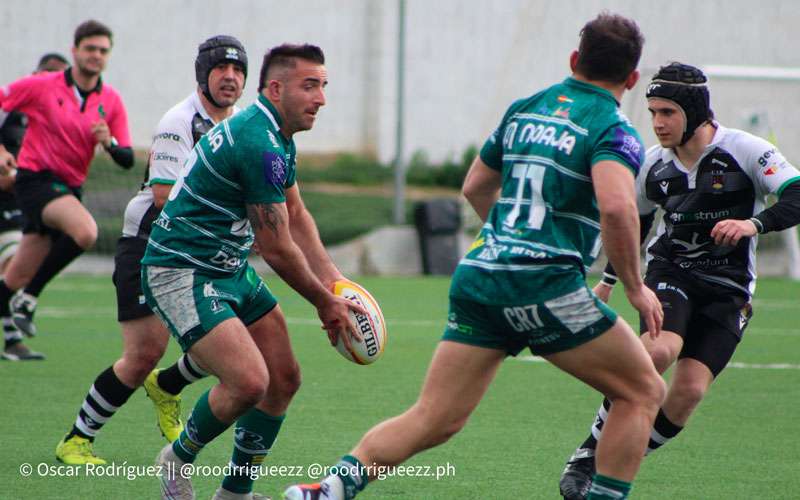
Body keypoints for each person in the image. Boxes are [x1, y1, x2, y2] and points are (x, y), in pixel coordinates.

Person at [284, 13, 665, 500]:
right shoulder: (613, 129)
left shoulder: (525, 108)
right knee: (644, 391)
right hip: (545, 285)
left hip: (481, 276)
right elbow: (616, 206)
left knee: (435, 417)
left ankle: (326, 490)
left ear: (574, 60)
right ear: (632, 80)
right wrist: (634, 286)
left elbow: (475, 186)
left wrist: (507, 242)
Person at [558, 62, 800, 499]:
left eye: (667, 112)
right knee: (657, 353)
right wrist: (611, 281)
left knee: (687, 393)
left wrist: (753, 224)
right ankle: (590, 455)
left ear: (694, 112)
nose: (657, 123)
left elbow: (798, 194)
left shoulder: (746, 150)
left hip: (730, 288)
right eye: (652, 112)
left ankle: (616, 456)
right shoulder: (651, 165)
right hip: (671, 273)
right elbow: (633, 226)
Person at [142, 43, 365, 500]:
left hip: (227, 267)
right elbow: (277, 247)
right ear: (277, 88)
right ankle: (176, 459)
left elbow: (297, 215)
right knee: (249, 381)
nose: (321, 97)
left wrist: (337, 282)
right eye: (310, 85)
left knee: (284, 377)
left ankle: (234, 494)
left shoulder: (276, 134)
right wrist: (325, 303)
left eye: (323, 85)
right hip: (181, 269)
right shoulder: (257, 141)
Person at [55, 35, 248, 466]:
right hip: (150, 244)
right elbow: (163, 196)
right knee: (143, 354)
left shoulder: (239, 126)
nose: (231, 78)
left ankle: (169, 386)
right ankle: (76, 440)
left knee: (231, 340)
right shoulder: (178, 121)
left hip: (202, 248)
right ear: (203, 73)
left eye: (238, 71)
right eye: (221, 69)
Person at [0, 19, 133, 342]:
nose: (96, 55)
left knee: (14, 277)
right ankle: (29, 301)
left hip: (70, 188)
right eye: (90, 48)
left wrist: (109, 142)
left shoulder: (111, 100)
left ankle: (17, 296)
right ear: (75, 51)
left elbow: (127, 158)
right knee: (86, 231)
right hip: (34, 181)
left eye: (103, 50)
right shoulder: (43, 85)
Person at [0, 53, 70, 361]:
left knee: (16, 271)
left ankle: (12, 340)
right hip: (8, 203)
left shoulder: (56, 118)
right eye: (47, 74)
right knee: (13, 265)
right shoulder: (13, 105)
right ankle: (13, 338)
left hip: (22, 203)